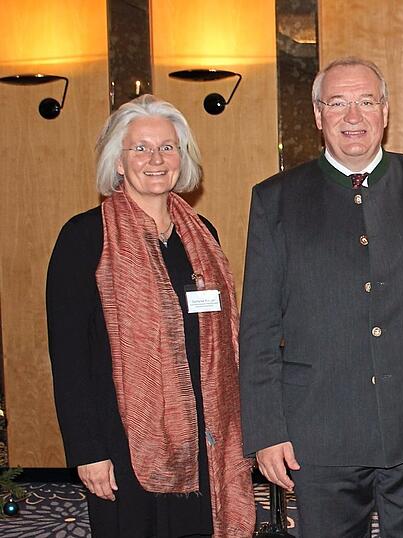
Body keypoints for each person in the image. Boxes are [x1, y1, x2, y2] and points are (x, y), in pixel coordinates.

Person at [239, 57, 403, 537]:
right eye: (339, 103)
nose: (354, 116)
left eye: (366, 102)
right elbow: (260, 327)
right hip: (320, 431)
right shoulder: (275, 200)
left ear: (385, 111)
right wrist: (267, 431)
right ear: (317, 115)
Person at [46, 95, 254, 537]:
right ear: (118, 163)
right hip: (122, 439)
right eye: (140, 148)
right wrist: (87, 450)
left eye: (167, 147)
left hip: (205, 437)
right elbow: (68, 356)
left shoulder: (204, 235)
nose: (155, 159)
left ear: (183, 156)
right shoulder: (84, 237)